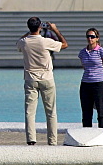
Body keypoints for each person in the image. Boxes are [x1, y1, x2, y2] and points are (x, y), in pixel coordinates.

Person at [16, 17, 67, 145]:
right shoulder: (46, 42)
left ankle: (31, 139)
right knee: (51, 112)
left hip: (30, 79)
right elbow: (64, 44)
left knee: (30, 112)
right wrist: (55, 29)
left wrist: (29, 32)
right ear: (40, 27)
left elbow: (18, 42)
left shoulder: (24, 42)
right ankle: (52, 141)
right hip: (47, 78)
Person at [77, 28, 103, 129]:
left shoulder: (102, 51)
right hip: (86, 84)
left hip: (99, 84)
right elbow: (85, 66)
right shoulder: (82, 52)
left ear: (97, 38)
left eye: (92, 37)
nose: (90, 39)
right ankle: (87, 133)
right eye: (88, 36)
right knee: (86, 112)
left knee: (101, 112)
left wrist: (100, 78)